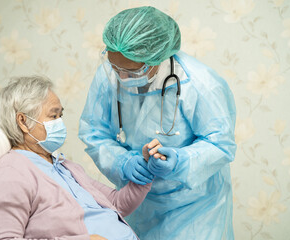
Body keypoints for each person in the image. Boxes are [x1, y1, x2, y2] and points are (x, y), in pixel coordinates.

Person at [79, 6, 236, 240]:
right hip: (139, 201)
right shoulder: (109, 74)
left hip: (195, 207)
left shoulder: (201, 84)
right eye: (115, 67)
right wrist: (122, 162)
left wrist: (180, 161)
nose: (121, 77)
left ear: (157, 58)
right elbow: (94, 132)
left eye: (132, 71)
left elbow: (221, 145)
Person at [0, 75, 152, 240]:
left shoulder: (66, 167)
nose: (60, 123)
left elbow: (116, 204)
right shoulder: (11, 171)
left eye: (60, 116)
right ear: (23, 121)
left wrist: (146, 168)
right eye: (53, 116)